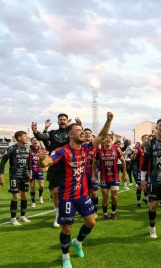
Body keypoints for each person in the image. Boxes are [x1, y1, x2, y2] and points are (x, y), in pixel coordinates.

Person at [40, 112, 113, 268]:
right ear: (70, 135)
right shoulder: (62, 151)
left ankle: (78, 242)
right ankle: (65, 257)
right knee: (67, 228)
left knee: (91, 222)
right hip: (66, 196)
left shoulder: (86, 148)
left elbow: (101, 136)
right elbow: (47, 161)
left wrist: (108, 120)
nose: (83, 133)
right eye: (79, 130)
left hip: (82, 194)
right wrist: (43, 160)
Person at [32, 115, 74, 228]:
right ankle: (57, 215)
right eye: (60, 119)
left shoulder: (71, 133)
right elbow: (41, 136)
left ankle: (69, 212)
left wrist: (80, 125)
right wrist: (35, 132)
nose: (62, 121)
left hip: (69, 166)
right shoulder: (52, 133)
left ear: (68, 121)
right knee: (55, 192)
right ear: (58, 121)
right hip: (54, 165)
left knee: (69, 193)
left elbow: (80, 137)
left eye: (64, 119)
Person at [0, 131, 32, 226]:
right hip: (14, 176)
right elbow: (3, 161)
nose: (27, 137)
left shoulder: (28, 149)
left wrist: (30, 171)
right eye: (25, 136)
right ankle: (13, 219)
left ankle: (22, 216)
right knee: (16, 197)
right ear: (19, 138)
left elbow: (29, 162)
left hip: (25, 176)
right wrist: (1, 176)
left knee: (25, 196)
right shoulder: (11, 148)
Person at [94, 134, 127, 220]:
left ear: (112, 141)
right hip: (104, 178)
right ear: (103, 141)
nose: (108, 139)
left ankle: (113, 213)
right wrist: (94, 175)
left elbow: (123, 161)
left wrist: (124, 173)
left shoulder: (116, 149)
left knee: (114, 197)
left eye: (110, 139)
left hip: (115, 177)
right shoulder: (99, 151)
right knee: (105, 196)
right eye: (106, 138)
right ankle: (105, 214)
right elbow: (94, 162)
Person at [83, 128, 99, 215]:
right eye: (86, 133)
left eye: (89, 133)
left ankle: (95, 208)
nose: (87, 134)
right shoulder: (80, 146)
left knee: (94, 192)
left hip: (94, 173)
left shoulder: (96, 147)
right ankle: (89, 208)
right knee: (86, 192)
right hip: (83, 173)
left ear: (91, 135)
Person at [131, 135, 149, 208]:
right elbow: (132, 158)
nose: (147, 139)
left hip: (149, 171)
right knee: (139, 187)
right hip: (140, 171)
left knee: (148, 186)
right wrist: (134, 155)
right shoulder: (139, 149)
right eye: (145, 138)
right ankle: (138, 202)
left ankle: (145, 198)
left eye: (148, 138)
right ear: (142, 139)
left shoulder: (151, 147)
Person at [29, 137, 45, 208]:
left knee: (41, 186)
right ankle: (33, 201)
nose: (35, 141)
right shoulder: (29, 150)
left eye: (36, 140)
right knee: (32, 186)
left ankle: (40, 195)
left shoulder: (41, 150)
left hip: (39, 169)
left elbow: (45, 158)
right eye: (33, 140)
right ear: (31, 142)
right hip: (31, 170)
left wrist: (45, 166)